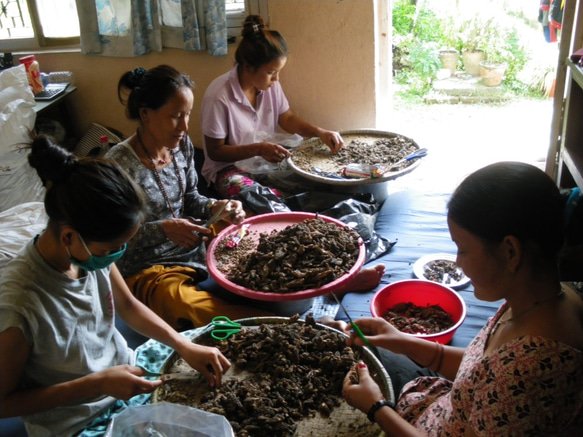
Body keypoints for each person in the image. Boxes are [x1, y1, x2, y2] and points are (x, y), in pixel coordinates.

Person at [109, 65, 385, 330]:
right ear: (145, 114)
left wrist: (217, 206)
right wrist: (164, 230)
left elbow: (191, 198)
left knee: (257, 232)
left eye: (187, 114)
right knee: (186, 303)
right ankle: (292, 327)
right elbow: (108, 239)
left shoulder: (180, 146)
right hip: (147, 267)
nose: (184, 126)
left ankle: (329, 281)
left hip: (193, 237)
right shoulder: (117, 166)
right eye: (175, 116)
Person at [0, 136, 231, 436]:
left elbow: (128, 306)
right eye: (111, 250)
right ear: (69, 236)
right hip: (77, 420)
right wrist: (99, 383)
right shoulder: (20, 303)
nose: (116, 256)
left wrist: (183, 345)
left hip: (125, 375)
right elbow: (3, 404)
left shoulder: (86, 254)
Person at [333, 162, 583, 435]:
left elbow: (501, 375)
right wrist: (404, 342)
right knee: (360, 350)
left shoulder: (529, 369)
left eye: (462, 250)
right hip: (447, 406)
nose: (457, 263)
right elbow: (479, 368)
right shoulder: (544, 297)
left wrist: (376, 408)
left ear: (510, 252)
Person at [200, 14, 344, 207]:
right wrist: (258, 148)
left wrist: (319, 133)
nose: (276, 79)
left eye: (278, 72)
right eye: (271, 72)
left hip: (263, 161)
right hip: (228, 169)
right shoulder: (218, 96)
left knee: (315, 180)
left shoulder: (269, 85)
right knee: (270, 200)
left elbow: (287, 118)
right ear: (248, 67)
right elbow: (215, 152)